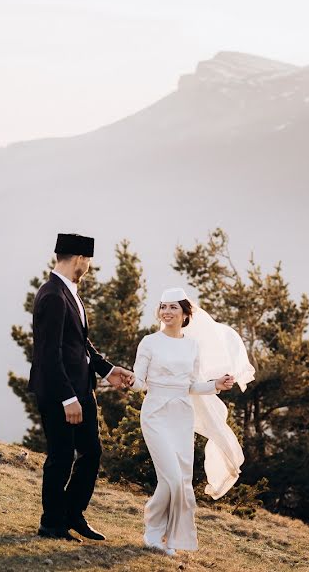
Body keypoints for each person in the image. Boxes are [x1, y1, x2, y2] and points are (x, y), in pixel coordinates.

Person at [130, 287, 254, 555]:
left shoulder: (192, 345)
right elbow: (140, 383)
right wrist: (129, 380)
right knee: (172, 478)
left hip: (182, 416)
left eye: (173, 307)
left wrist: (216, 384)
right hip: (155, 414)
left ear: (186, 313)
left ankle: (170, 538)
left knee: (179, 480)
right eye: (163, 306)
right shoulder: (149, 342)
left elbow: (192, 385)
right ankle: (153, 529)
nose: (167, 312)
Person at [28, 232, 134, 542]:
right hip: (62, 393)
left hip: (81, 389)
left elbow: (77, 342)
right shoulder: (51, 296)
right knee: (61, 458)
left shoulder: (68, 292)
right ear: (79, 260)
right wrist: (68, 398)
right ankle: (51, 524)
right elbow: (49, 354)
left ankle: (72, 513)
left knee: (91, 452)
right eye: (88, 260)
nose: (88, 266)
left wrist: (107, 369)